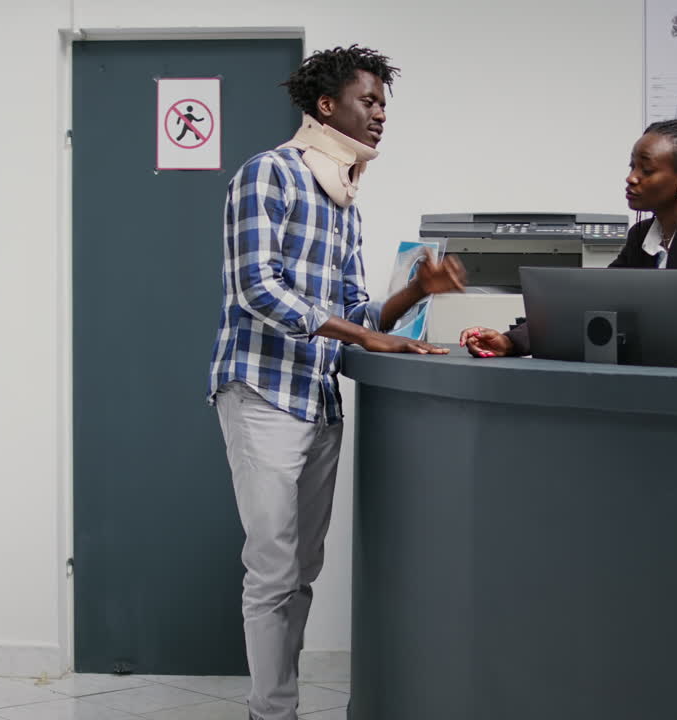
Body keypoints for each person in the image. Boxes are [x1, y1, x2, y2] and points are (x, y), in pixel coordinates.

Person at [206, 46, 465, 720]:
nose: (381, 114)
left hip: (318, 401)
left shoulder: (345, 198)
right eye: (369, 101)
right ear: (326, 105)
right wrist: (360, 336)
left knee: (300, 576)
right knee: (271, 571)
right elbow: (256, 287)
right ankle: (273, 713)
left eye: (384, 104)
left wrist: (413, 293)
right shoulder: (269, 174)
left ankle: (278, 703)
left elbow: (356, 311)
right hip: (262, 392)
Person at [460, 119, 677, 371]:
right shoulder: (642, 238)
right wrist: (510, 341)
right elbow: (586, 303)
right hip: (650, 387)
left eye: (646, 170)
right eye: (631, 167)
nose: (632, 178)